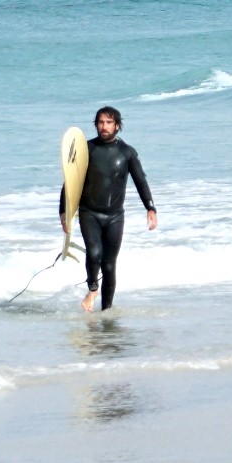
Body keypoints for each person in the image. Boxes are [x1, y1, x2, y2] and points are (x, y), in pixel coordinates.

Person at [58, 106, 156, 312]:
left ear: (117, 126)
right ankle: (93, 289)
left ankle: (107, 312)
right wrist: (63, 211)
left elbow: (140, 181)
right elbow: (70, 181)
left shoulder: (127, 153)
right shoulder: (86, 150)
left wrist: (150, 208)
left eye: (109, 123)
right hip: (89, 212)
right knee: (94, 253)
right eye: (101, 122)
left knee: (110, 265)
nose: (104, 127)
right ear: (96, 125)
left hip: (115, 216)